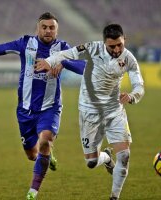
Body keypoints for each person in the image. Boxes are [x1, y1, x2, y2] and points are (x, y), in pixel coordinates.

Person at [0, 12, 84, 200]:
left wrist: (65, 62)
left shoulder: (63, 49)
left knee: (45, 140)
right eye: (44, 27)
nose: (48, 30)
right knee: (32, 154)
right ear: (38, 28)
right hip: (25, 110)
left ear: (57, 30)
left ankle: (32, 192)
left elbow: (83, 67)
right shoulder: (25, 44)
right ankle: (46, 157)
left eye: (52, 27)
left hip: (49, 108)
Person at [35, 24, 145, 200]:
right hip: (89, 111)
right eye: (112, 46)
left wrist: (132, 96)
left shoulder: (129, 59)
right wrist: (49, 61)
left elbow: (139, 85)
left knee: (124, 155)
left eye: (120, 45)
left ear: (125, 40)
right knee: (91, 162)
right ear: (104, 44)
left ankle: (114, 197)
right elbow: (67, 54)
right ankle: (106, 158)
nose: (116, 49)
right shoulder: (92, 48)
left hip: (113, 110)